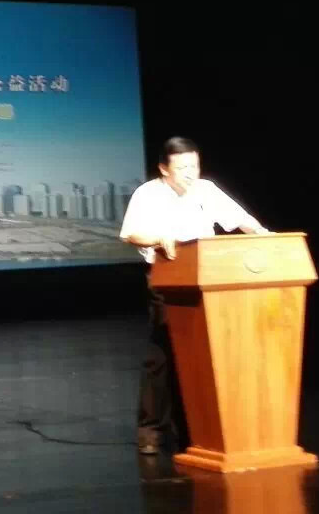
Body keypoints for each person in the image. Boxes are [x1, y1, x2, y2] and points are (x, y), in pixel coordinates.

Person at [119, 136, 270, 455]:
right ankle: (151, 430)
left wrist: (263, 235)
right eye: (182, 168)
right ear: (164, 169)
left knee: (207, 355)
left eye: (194, 166)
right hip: (168, 279)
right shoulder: (148, 194)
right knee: (162, 354)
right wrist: (158, 239)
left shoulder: (206, 190)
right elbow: (130, 233)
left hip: (210, 280)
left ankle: (201, 428)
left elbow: (241, 219)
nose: (190, 173)